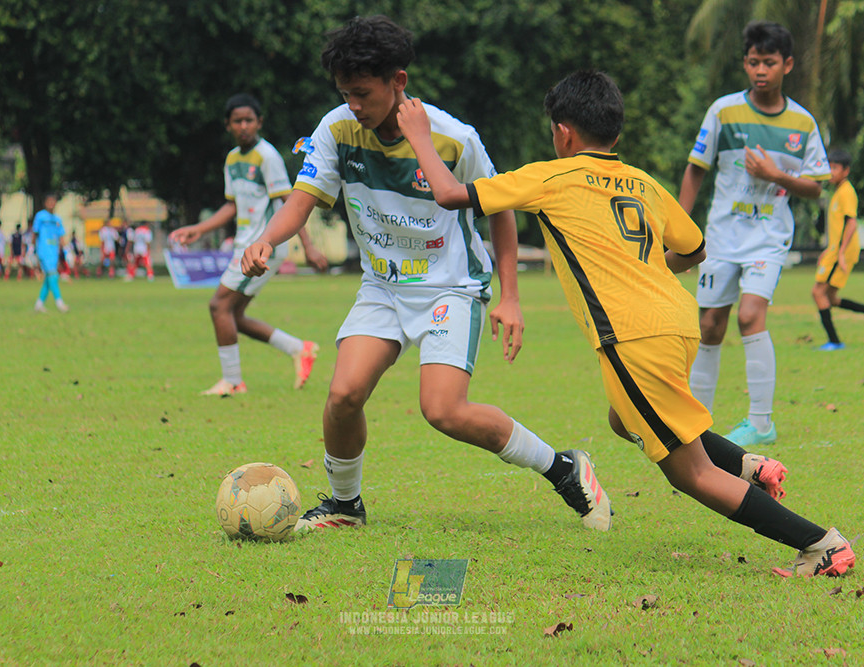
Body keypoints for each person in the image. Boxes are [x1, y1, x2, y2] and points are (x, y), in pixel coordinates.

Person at [398, 69, 855, 577]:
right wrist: (647, 273)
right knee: (624, 418)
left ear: (563, 132)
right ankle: (749, 465)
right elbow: (693, 248)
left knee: (691, 475)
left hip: (633, 337)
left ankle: (820, 544)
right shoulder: (643, 182)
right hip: (676, 322)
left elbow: (448, 194)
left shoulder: (550, 177)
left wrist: (420, 136)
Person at [241, 15, 613, 534]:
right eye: (345, 92)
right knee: (343, 396)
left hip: (451, 286)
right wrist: (267, 239)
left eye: (363, 93)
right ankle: (346, 508)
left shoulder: (454, 138)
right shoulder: (337, 129)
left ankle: (564, 467)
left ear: (399, 82)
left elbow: (501, 210)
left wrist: (510, 297)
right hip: (383, 286)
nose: (353, 105)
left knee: (443, 411)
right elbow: (302, 202)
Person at [678, 21, 831, 447]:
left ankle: (761, 423)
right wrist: (679, 225)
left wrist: (774, 174)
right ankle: (697, 427)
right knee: (710, 325)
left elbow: (816, 185)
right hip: (722, 238)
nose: (760, 70)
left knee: (748, 316)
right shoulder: (723, 111)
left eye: (769, 62)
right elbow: (695, 169)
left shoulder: (803, 123)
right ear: (744, 63)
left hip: (768, 237)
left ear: (787, 65)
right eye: (752, 62)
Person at [170, 93, 327, 395]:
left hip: (263, 247)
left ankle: (232, 381)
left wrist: (308, 246)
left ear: (259, 123)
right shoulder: (232, 159)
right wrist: (198, 230)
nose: (244, 126)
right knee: (233, 316)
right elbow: (232, 206)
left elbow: (290, 201)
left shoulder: (267, 157)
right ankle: (299, 348)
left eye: (249, 120)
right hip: (245, 244)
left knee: (218, 306)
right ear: (228, 125)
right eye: (237, 121)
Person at [812, 149, 864, 350]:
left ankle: (835, 342)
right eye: (828, 167)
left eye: (835, 168)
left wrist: (839, 253)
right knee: (831, 298)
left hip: (842, 252)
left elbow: (852, 224)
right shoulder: (838, 192)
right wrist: (828, 249)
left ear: (845, 171)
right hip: (836, 250)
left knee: (818, 293)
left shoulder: (846, 192)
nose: (830, 172)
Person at [32, 193, 69, 313]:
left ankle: (39, 304)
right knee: (53, 275)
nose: (51, 204)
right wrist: (32, 250)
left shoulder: (58, 219)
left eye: (53, 201)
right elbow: (35, 233)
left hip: (54, 252)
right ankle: (59, 302)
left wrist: (66, 252)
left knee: (49, 278)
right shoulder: (40, 216)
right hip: (44, 250)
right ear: (45, 203)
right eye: (49, 201)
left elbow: (61, 236)